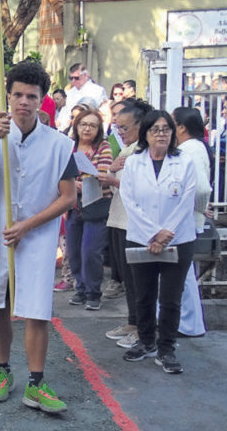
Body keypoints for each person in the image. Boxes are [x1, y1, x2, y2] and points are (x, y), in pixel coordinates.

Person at [0, 60, 77, 413]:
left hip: (36, 237)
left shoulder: (59, 144)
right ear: (8, 96)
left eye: (32, 96)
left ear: (42, 99)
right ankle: (2, 372)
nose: (24, 102)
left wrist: (28, 225)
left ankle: (36, 382)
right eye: (17, 95)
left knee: (37, 309)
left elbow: (68, 196)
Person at [119, 109, 197, 374]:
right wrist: (153, 233)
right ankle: (146, 341)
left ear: (173, 133)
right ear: (146, 134)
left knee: (171, 298)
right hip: (142, 237)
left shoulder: (185, 162)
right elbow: (129, 200)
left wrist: (166, 233)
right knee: (144, 295)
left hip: (179, 238)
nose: (161, 134)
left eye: (166, 129)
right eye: (156, 129)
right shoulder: (134, 162)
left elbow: (187, 200)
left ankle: (166, 349)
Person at [102, 98, 152, 348]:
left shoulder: (146, 150)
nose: (120, 133)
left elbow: (143, 188)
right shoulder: (128, 148)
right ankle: (132, 322)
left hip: (135, 223)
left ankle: (143, 329)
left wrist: (111, 180)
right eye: (117, 127)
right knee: (127, 279)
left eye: (125, 127)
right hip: (119, 218)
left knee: (138, 280)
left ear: (141, 125)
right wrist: (111, 171)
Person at [65, 108, 113, 311]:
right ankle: (81, 288)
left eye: (93, 125)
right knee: (73, 252)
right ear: (76, 126)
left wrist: (76, 184)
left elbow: (102, 177)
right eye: (84, 124)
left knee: (90, 251)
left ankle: (93, 292)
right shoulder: (69, 146)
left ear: (99, 129)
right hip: (72, 206)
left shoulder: (103, 147)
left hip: (96, 206)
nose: (87, 129)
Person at [171, 106, 213, 338]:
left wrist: (198, 209)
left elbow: (201, 188)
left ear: (182, 127)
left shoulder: (190, 149)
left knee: (183, 276)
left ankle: (189, 324)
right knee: (182, 275)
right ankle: (185, 323)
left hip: (185, 220)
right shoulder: (192, 147)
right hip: (185, 219)